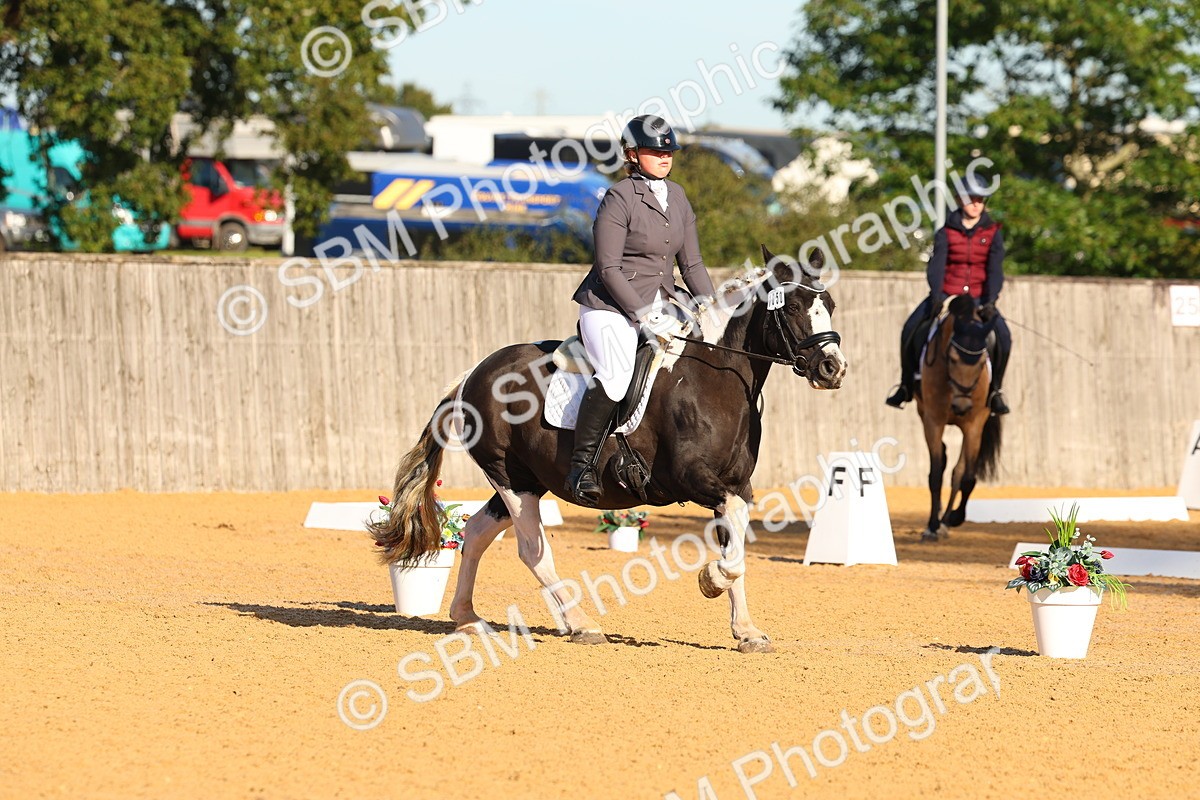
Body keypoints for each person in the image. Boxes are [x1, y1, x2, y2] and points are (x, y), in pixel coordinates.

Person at [565, 114, 717, 506]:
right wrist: (642, 314)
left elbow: (693, 265)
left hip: (667, 301)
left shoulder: (679, 196)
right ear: (632, 154)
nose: (664, 156)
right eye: (655, 150)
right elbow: (608, 267)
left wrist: (711, 307)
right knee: (615, 378)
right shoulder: (620, 197)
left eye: (668, 150)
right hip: (611, 305)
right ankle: (581, 466)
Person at [885, 172, 1013, 415]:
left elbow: (995, 270)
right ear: (959, 200)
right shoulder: (946, 232)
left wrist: (991, 301)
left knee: (1004, 337)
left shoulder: (993, 233)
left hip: (978, 298)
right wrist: (936, 296)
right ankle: (905, 385)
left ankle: (995, 391)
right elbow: (936, 267)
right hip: (948, 295)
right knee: (910, 328)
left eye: (980, 199)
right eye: (971, 198)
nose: (976, 203)